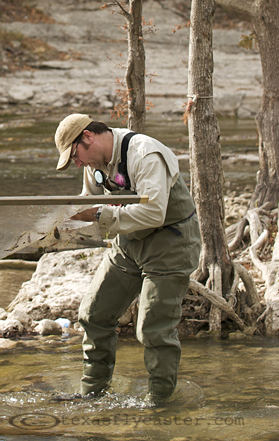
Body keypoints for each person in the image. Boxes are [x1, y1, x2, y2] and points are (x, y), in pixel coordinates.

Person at [54, 113, 201, 405]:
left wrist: (98, 215)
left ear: (88, 137)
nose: (78, 163)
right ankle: (92, 394)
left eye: (75, 156)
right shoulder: (93, 165)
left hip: (170, 241)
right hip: (129, 244)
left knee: (153, 327)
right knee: (93, 314)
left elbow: (153, 213)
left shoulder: (144, 154)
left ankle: (160, 403)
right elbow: (89, 203)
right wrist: (59, 227)